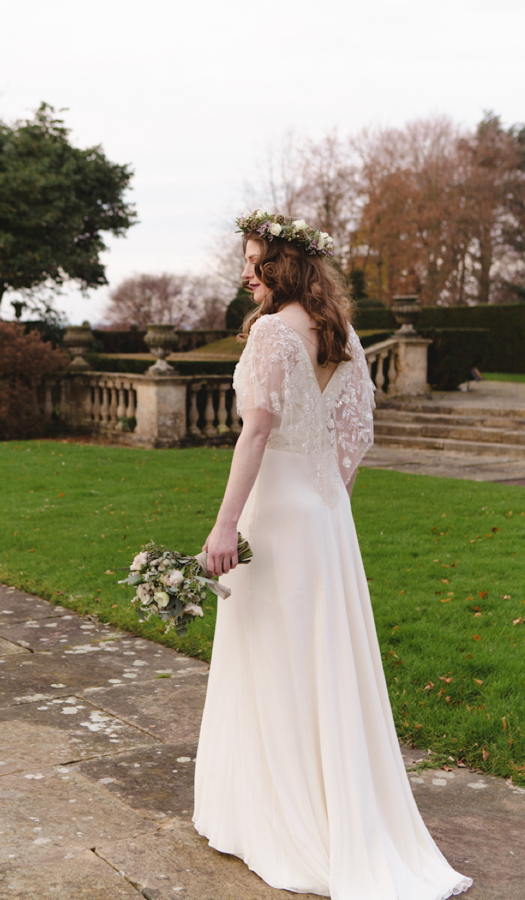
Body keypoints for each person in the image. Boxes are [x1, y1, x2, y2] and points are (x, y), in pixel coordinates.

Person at [193, 211, 473, 900]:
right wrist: (329, 498)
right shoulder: (338, 332)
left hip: (278, 518)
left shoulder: (268, 334)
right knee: (320, 660)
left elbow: (254, 437)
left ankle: (280, 821)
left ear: (282, 268)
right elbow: (356, 433)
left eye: (255, 261)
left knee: (275, 661)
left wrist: (225, 526)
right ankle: (329, 808)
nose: (245, 272)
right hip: (323, 519)